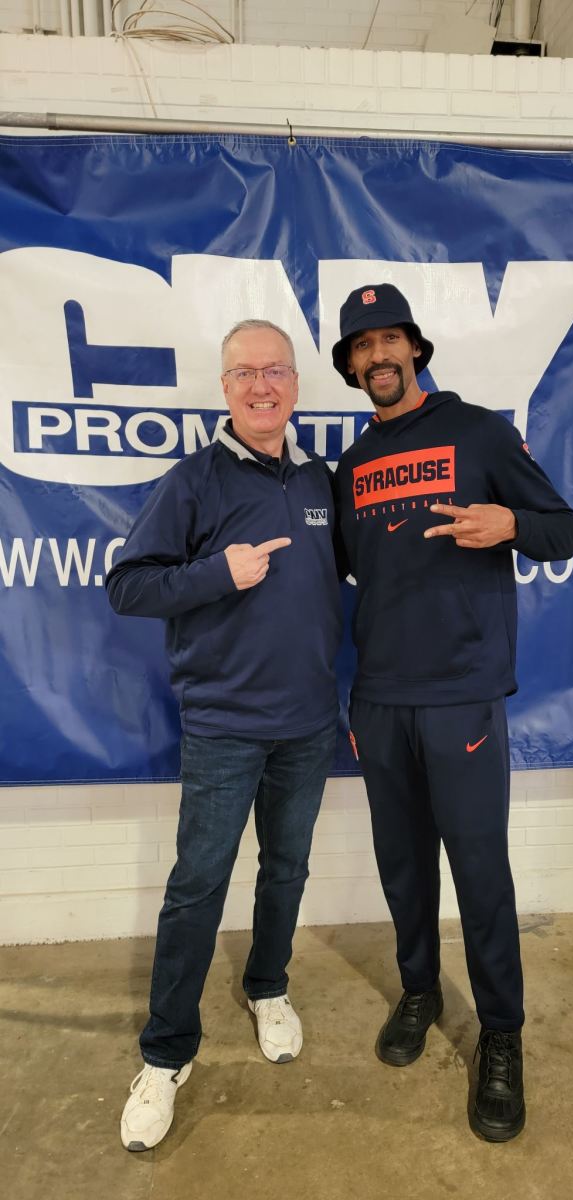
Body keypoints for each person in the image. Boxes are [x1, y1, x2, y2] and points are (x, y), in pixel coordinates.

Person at [332, 283, 573, 1143]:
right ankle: (419, 991)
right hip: (380, 698)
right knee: (402, 869)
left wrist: (510, 520)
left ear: (416, 347)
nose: (378, 357)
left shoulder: (477, 432)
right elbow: (331, 579)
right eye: (362, 347)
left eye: (390, 339)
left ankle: (502, 1035)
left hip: (463, 697)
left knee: (480, 876)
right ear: (351, 366)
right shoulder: (352, 468)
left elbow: (564, 529)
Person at [106, 319, 342, 1152]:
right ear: (224, 388)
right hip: (223, 729)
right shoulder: (195, 481)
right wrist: (218, 572)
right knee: (198, 886)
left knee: (288, 868)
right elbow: (127, 587)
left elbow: (371, 561)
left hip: (310, 724)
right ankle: (166, 1055)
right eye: (243, 374)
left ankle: (268, 986)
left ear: (296, 385)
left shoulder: (322, 479)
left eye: (275, 370)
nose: (261, 386)